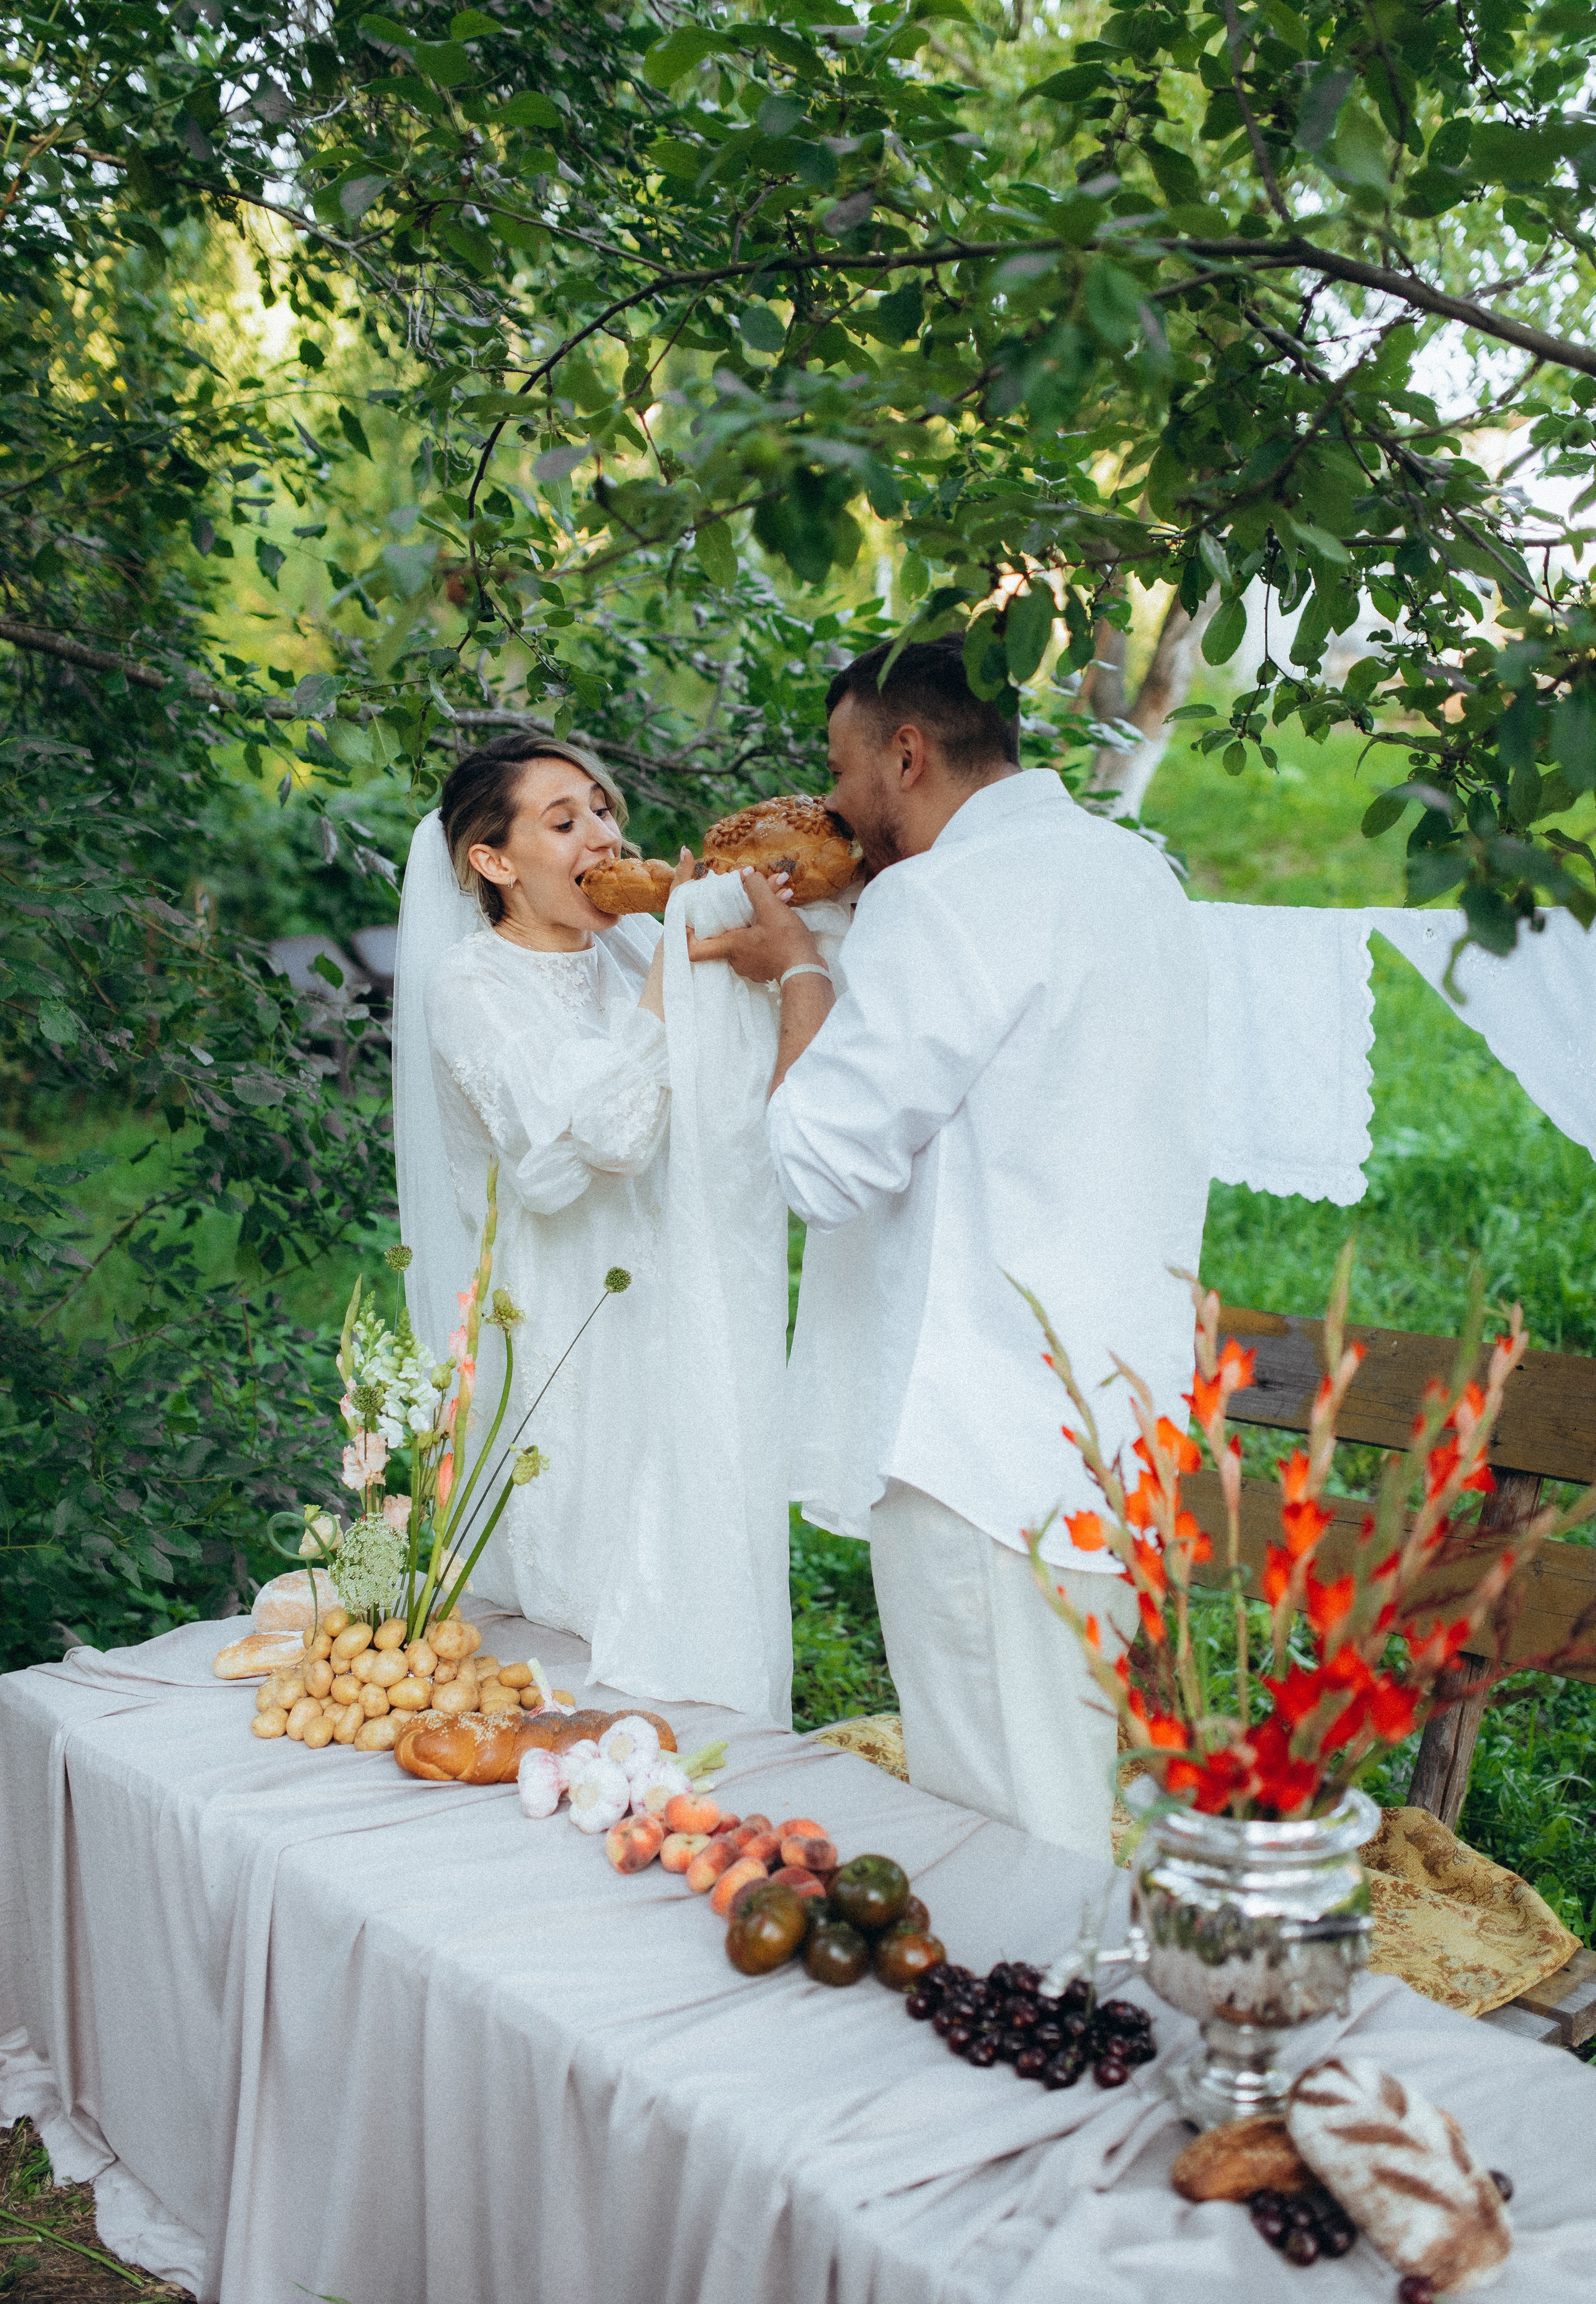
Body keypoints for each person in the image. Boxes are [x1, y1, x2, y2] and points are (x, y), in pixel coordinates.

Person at [690, 636, 1211, 1859]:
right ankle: (1091, 2020)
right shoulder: (1134, 875)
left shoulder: (940, 902)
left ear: (905, 753)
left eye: (840, 768)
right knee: (1078, 1782)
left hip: (974, 1433)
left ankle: (1049, 2033)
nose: (834, 807)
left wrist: (801, 974)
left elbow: (823, 1164)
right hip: (1110, 1413)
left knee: (1007, 1822)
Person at [392, 735, 696, 1666]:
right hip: (561, 1317)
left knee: (679, 1561)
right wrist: (669, 984)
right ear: (493, 862)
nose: (601, 838)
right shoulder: (470, 984)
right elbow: (594, 1149)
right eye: (563, 823)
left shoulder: (626, 956)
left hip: (674, 1302)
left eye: (603, 811)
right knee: (584, 1581)